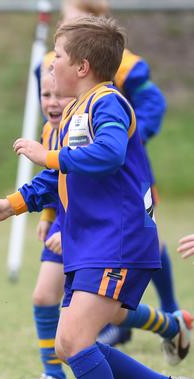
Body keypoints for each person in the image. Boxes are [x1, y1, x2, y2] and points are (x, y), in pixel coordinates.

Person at [0, 16, 193, 379]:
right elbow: (58, 177)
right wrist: (11, 204)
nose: (49, 70)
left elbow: (108, 155)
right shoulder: (75, 110)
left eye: (57, 62)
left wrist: (46, 153)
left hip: (119, 241)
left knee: (72, 340)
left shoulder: (108, 103)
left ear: (83, 67)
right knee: (72, 343)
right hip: (90, 243)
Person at [53, 0, 179, 347]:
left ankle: (170, 311)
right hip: (81, 168)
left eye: (73, 18)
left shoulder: (124, 66)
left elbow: (152, 102)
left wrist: (130, 137)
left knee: (146, 235)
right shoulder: (58, 64)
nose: (66, 24)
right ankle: (123, 324)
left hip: (121, 171)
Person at [20, 71, 73, 379]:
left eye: (59, 95)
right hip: (65, 223)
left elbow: (88, 185)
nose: (52, 103)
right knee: (43, 297)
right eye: (45, 95)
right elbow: (55, 179)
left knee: (113, 315)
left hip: (89, 227)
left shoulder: (82, 129)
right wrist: (48, 216)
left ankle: (169, 325)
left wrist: (65, 230)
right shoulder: (49, 130)